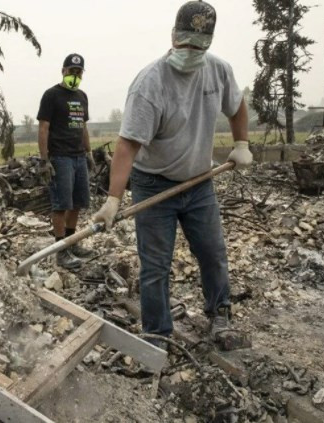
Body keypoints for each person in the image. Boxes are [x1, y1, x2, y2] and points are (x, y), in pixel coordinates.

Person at [93, 0, 253, 345]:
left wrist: (241, 144)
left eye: (198, 45)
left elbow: (238, 105)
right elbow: (127, 146)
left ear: (208, 42)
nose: (190, 50)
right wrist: (113, 200)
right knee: (155, 266)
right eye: (185, 43)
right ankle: (156, 334)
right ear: (172, 37)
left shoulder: (218, 71)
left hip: (199, 183)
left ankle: (220, 315)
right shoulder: (150, 84)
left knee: (212, 253)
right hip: (153, 186)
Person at [37, 53, 96, 270]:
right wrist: (45, 160)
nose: (75, 75)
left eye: (79, 72)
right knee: (61, 204)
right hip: (60, 157)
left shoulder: (82, 96)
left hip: (79, 156)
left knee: (78, 202)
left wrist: (88, 153)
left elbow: (83, 127)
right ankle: (61, 252)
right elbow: (43, 128)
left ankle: (71, 243)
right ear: (63, 71)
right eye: (72, 71)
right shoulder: (52, 95)